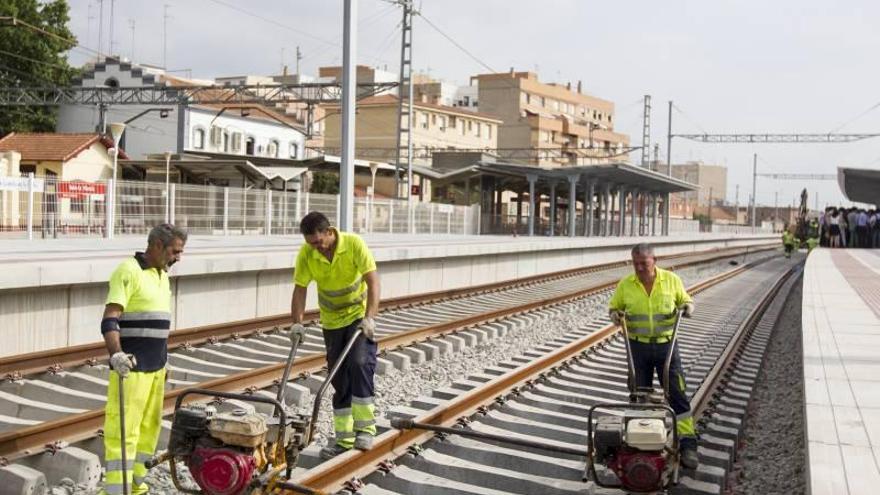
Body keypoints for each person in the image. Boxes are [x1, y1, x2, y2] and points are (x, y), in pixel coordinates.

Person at [100, 224, 187, 495]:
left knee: (148, 432)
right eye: (175, 251)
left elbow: (155, 326)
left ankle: (137, 486)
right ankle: (116, 491)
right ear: (157, 246)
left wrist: (164, 359)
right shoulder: (129, 271)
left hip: (156, 369)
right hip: (133, 370)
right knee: (123, 434)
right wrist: (116, 355)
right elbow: (110, 319)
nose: (178, 257)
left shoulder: (162, 275)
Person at [290, 211, 380, 459]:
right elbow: (299, 289)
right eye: (311, 244)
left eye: (318, 242)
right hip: (331, 322)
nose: (316, 248)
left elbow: (373, 282)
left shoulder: (353, 244)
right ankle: (344, 438)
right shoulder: (307, 253)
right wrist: (297, 324)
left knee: (360, 363)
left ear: (329, 232)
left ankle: (366, 430)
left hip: (357, 316)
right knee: (338, 377)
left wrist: (370, 317)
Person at [608, 243, 699, 469]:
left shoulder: (671, 280)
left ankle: (688, 444)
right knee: (640, 394)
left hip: (666, 346)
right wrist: (615, 315)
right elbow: (613, 307)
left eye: (644, 263)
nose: (639, 268)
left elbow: (686, 300)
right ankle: (643, 445)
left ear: (654, 260)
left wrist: (687, 307)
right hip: (638, 348)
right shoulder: (625, 285)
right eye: (636, 263)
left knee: (677, 393)